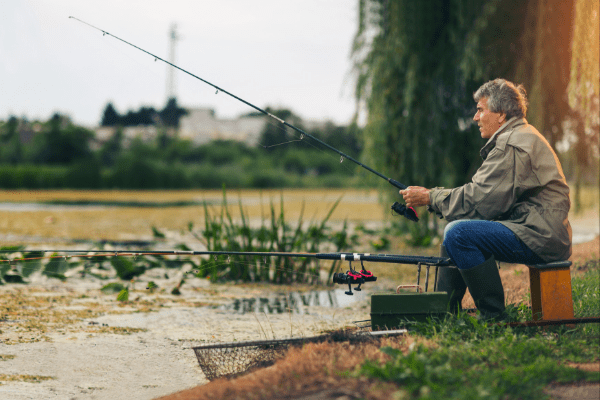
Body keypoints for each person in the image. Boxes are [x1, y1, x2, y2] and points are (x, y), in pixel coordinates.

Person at [400, 78, 572, 320]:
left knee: (458, 233)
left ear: (501, 114)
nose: (475, 117)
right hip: (541, 231)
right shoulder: (519, 135)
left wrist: (430, 197)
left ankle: (494, 317)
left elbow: (478, 201)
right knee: (455, 233)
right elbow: (484, 201)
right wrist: (435, 198)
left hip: (540, 236)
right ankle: (441, 314)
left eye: (480, 110)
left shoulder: (511, 144)